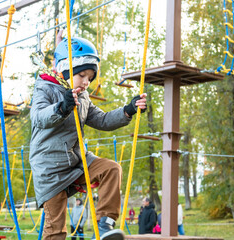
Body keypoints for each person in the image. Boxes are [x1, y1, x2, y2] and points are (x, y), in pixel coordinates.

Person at [30, 35, 147, 240]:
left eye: (90, 78)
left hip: (77, 161)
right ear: (66, 69)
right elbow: (39, 117)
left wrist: (128, 110)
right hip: (50, 169)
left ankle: (105, 224)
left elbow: (101, 120)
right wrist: (62, 107)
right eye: (82, 75)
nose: (86, 82)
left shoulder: (82, 96)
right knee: (56, 229)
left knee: (111, 169)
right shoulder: (44, 88)